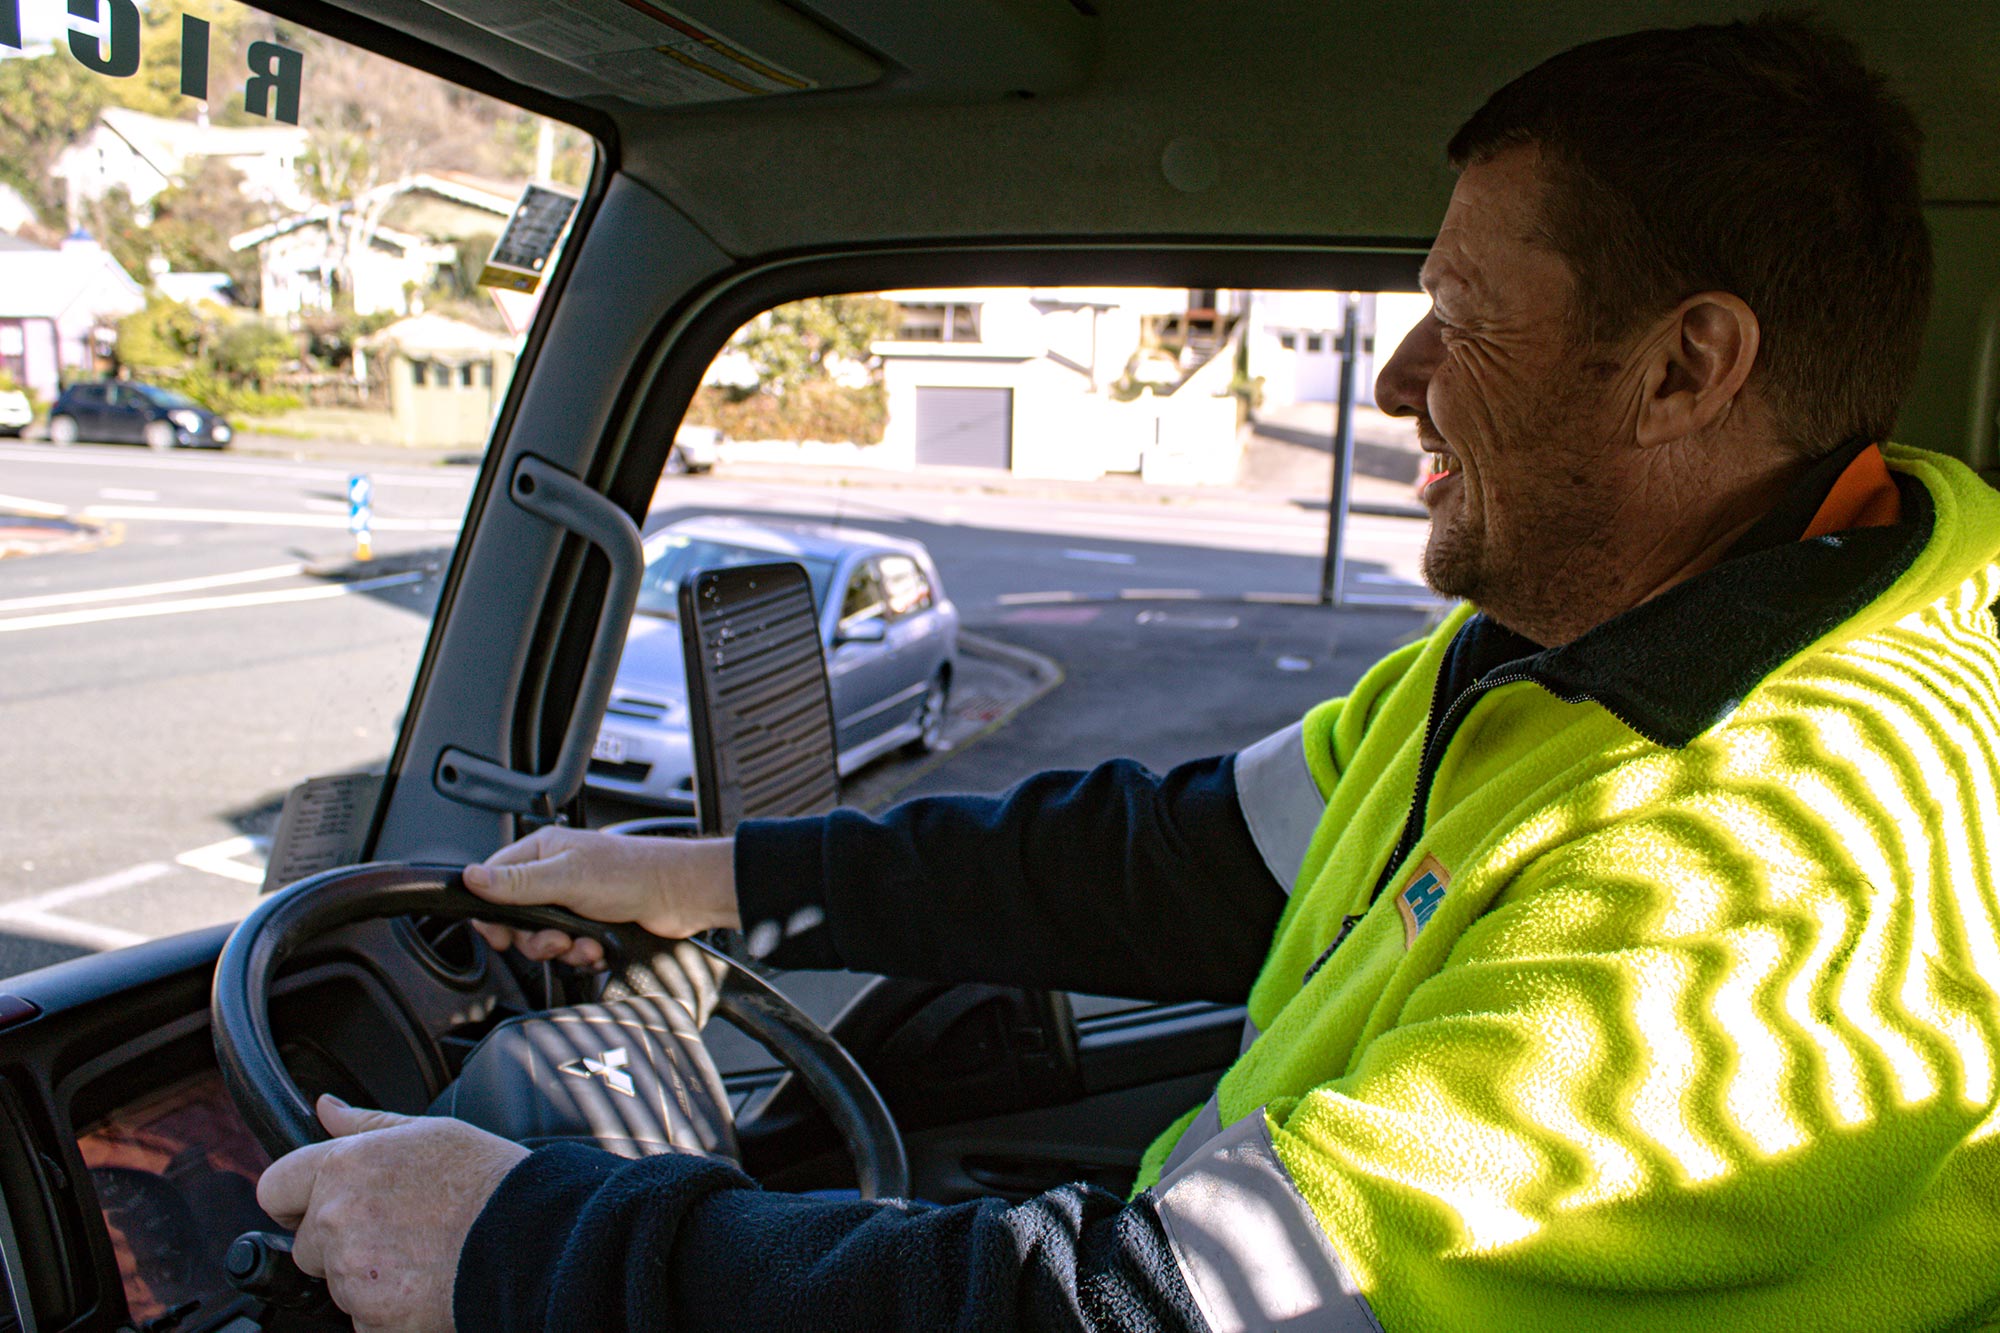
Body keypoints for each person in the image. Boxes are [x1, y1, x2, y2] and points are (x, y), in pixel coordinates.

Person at [255, 15, 2000, 1332]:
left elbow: (1158, 1307)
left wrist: (519, 1242)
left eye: (1461, 317)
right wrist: (712, 883)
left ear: (1688, 365)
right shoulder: (1577, 657)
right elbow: (1183, 864)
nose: (1396, 382)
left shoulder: (1764, 855)